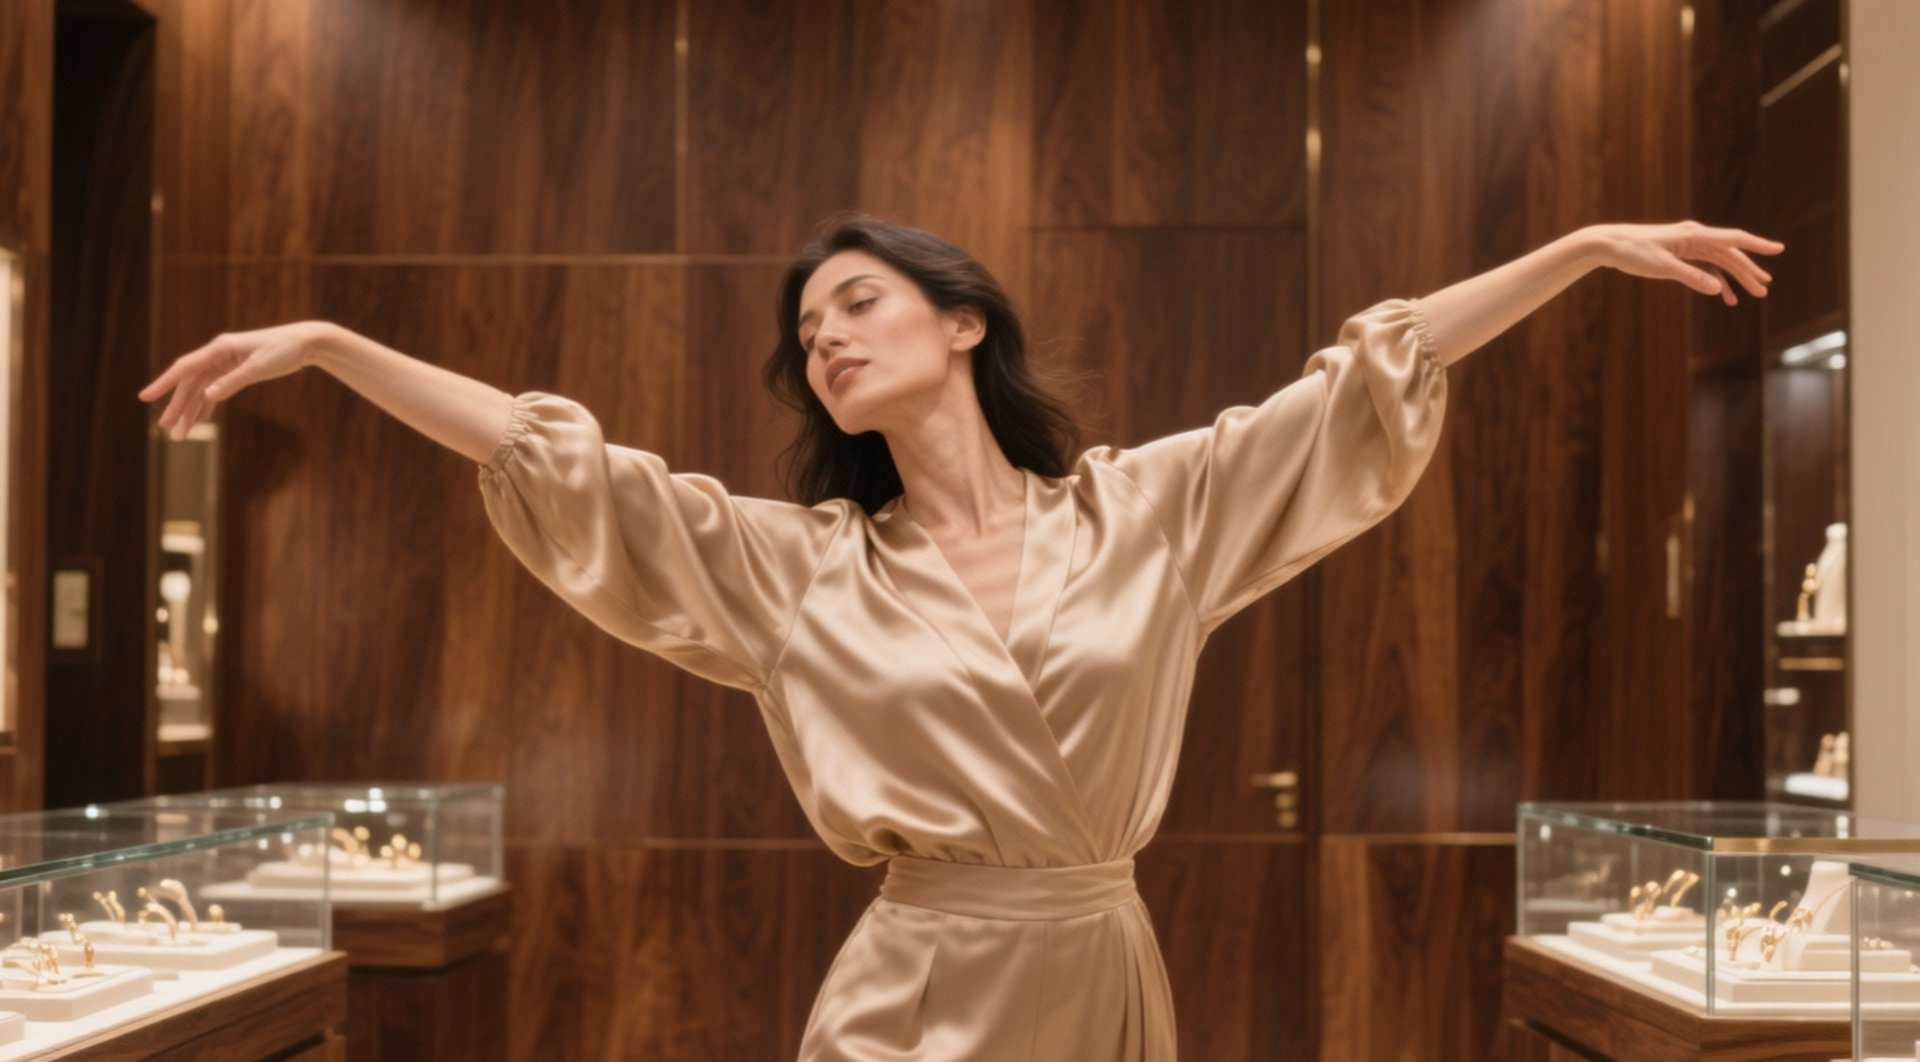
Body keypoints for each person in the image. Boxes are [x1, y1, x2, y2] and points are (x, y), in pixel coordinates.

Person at [140, 216, 1779, 1060]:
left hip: (1099, 969)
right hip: (912, 987)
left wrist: (1574, 255)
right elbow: (564, 470)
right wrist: (340, 344)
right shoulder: (798, 572)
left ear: (962, 320)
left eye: (857, 300)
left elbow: (1363, 389)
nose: (827, 336)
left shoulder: (1150, 513)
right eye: (806, 329)